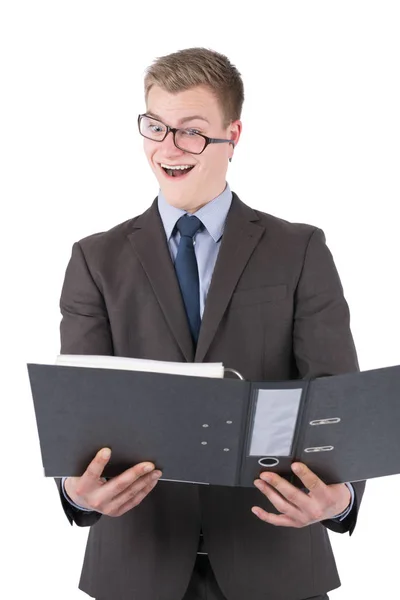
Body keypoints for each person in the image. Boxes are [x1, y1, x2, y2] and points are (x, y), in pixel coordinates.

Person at [55, 47, 366, 600]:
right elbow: (83, 411)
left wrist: (340, 501)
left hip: (275, 561)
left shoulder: (299, 249)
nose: (169, 148)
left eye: (191, 131)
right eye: (156, 126)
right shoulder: (94, 259)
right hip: (137, 565)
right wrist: (77, 495)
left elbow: (337, 398)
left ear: (233, 135)